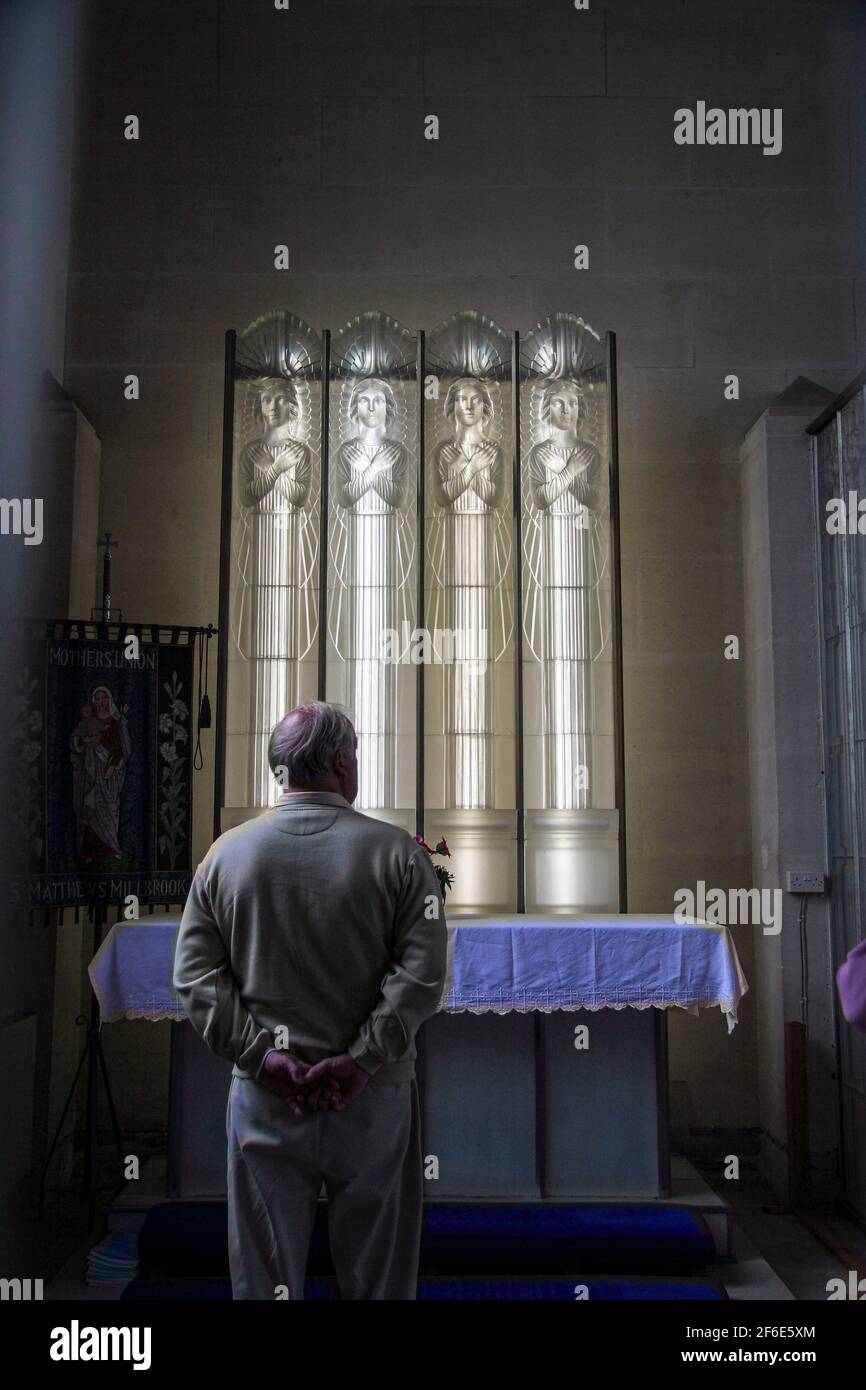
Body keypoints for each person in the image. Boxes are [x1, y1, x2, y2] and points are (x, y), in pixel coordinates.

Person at [173, 701, 449, 1300]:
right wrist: (361, 1060)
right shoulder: (398, 855)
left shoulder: (226, 855)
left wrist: (262, 1058)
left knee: (264, 1275)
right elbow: (423, 975)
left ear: (280, 768)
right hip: (372, 1101)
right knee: (378, 1275)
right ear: (345, 764)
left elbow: (195, 976)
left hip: (269, 1101)